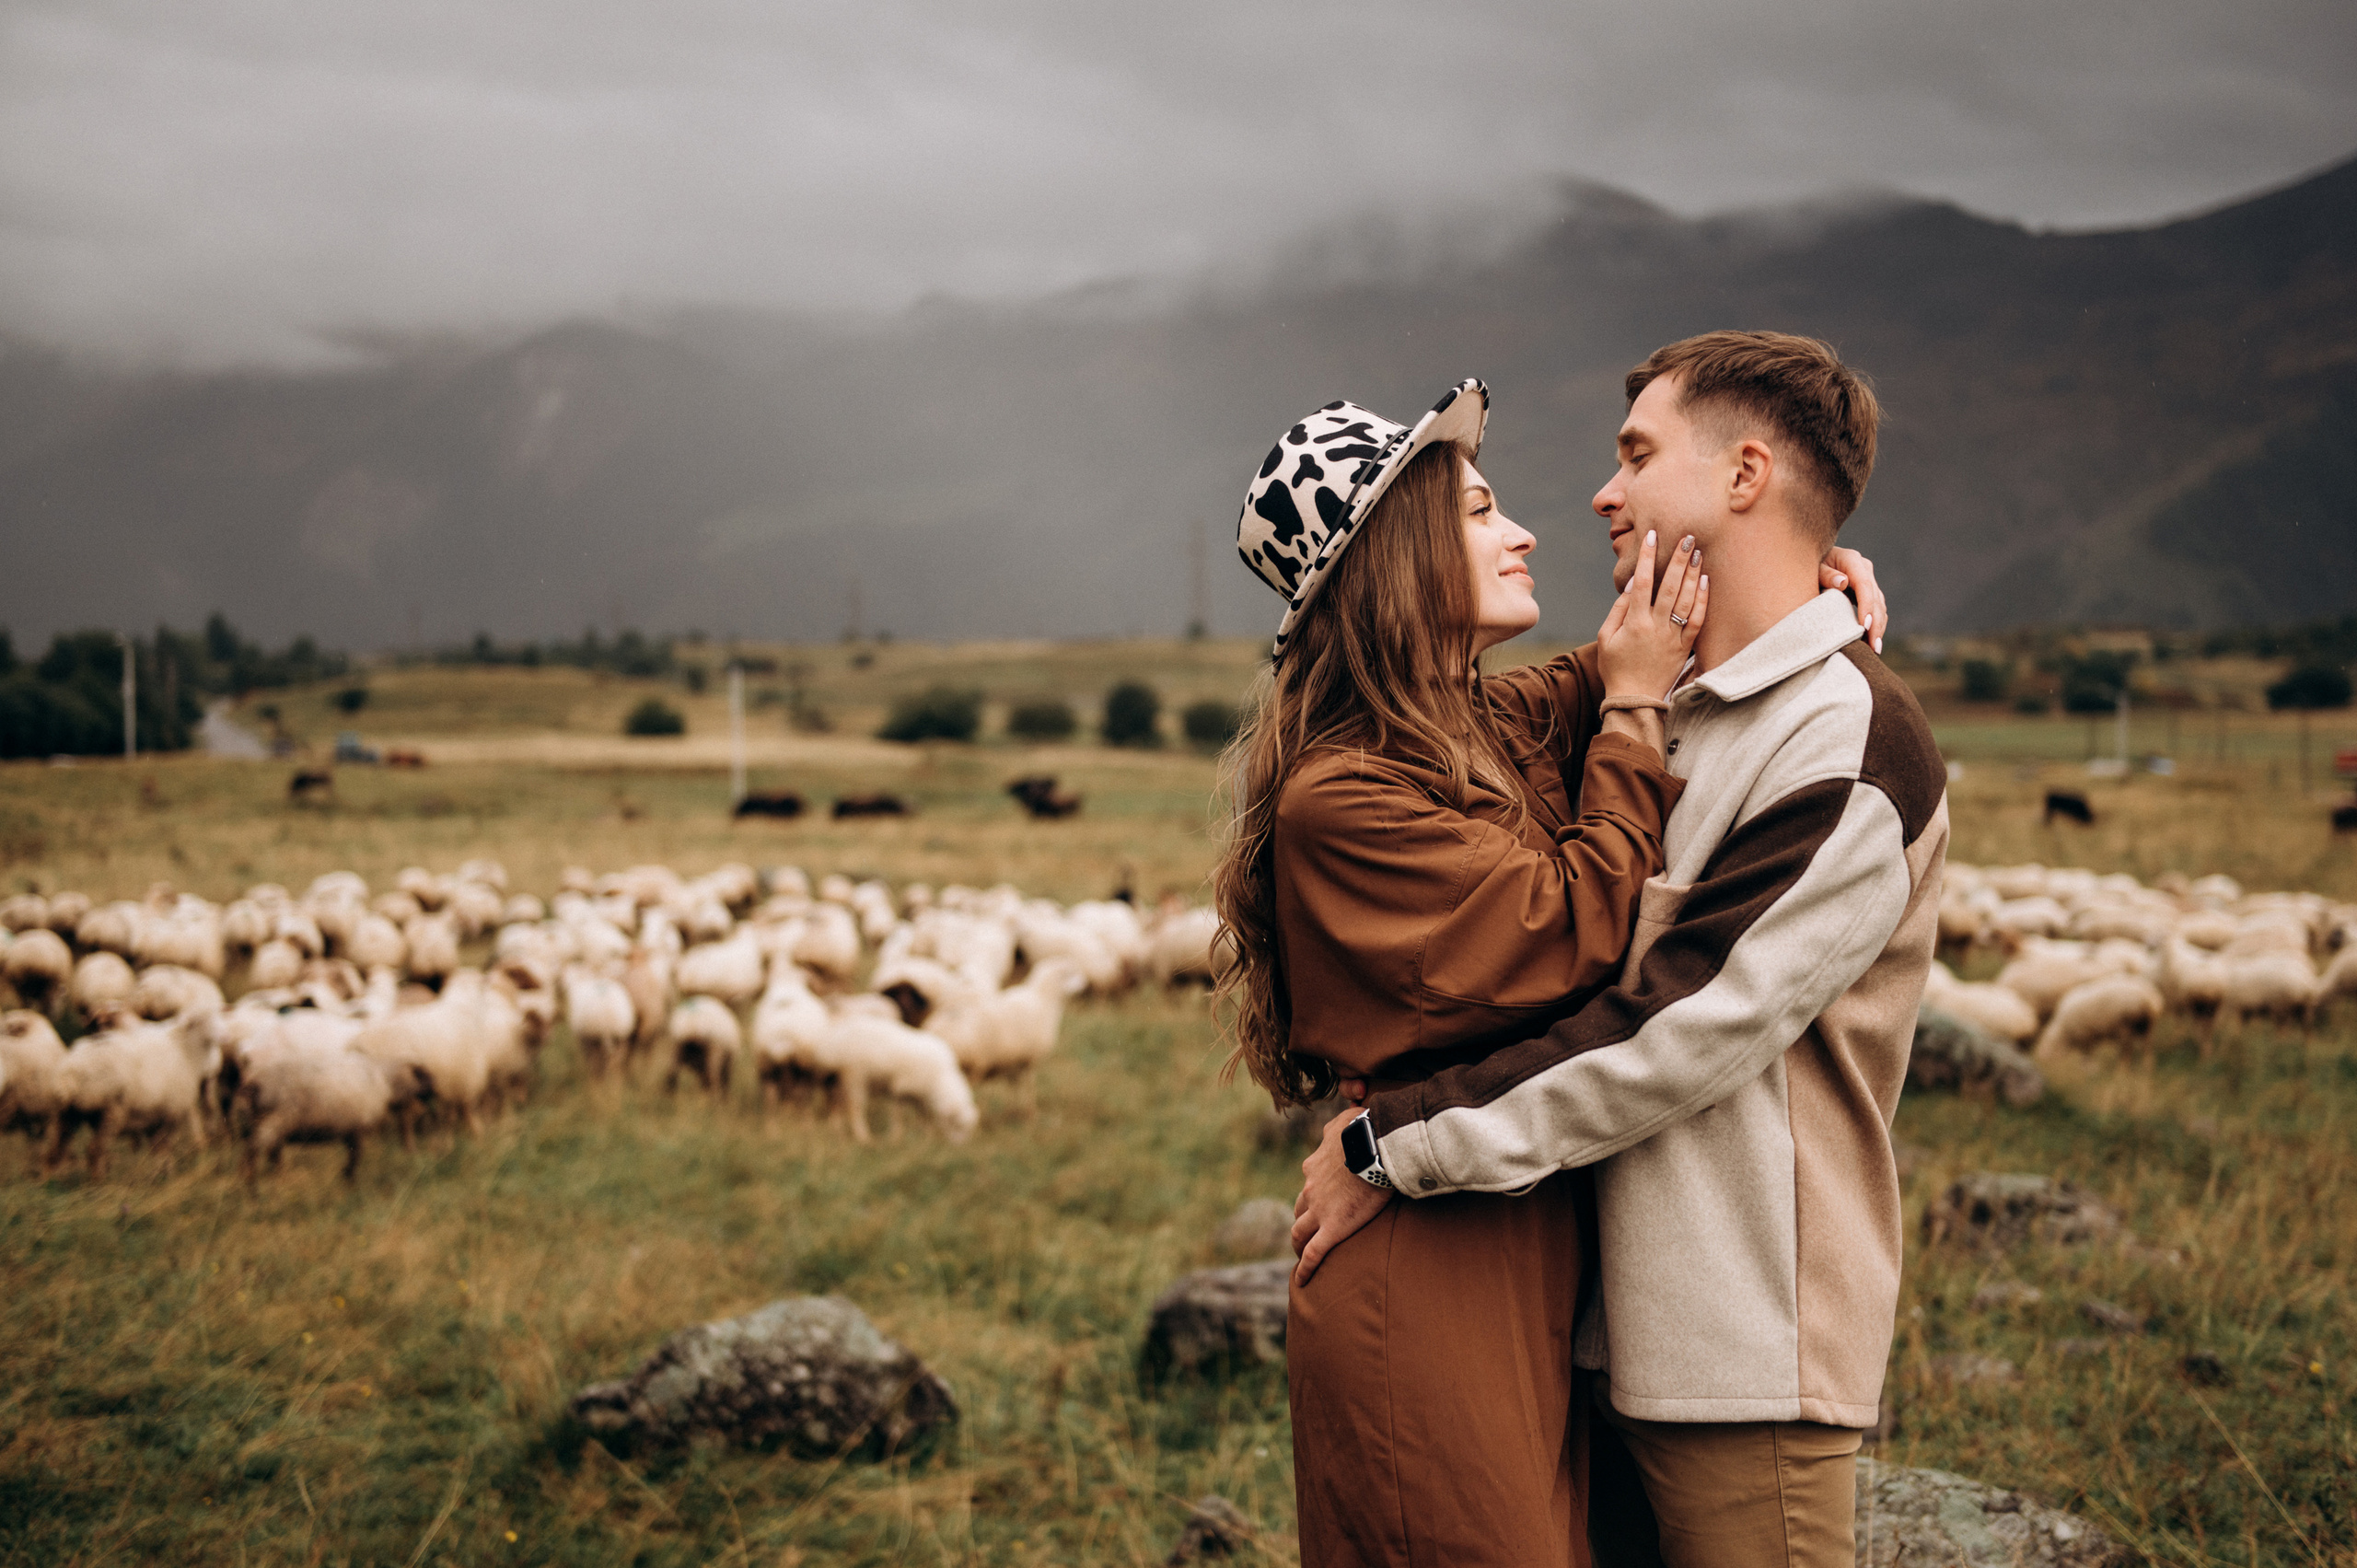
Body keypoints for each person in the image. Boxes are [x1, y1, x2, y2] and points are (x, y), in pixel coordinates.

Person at [1289, 332, 1946, 1568]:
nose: (1596, 495)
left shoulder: (1846, 741)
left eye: (1635, 456)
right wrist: (1775, 589)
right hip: (1590, 1333)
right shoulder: (1653, 711)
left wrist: (1392, 1144)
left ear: (1745, 476)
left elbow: (1676, 1026)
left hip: (1740, 1364)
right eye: (1478, 510)